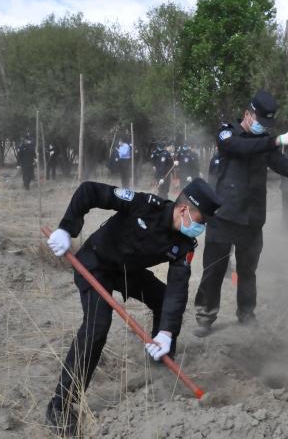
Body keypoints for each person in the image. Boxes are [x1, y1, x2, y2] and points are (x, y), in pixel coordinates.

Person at [44, 178, 220, 436]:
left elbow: (177, 288)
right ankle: (60, 405)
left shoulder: (184, 244)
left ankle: (161, 358)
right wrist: (66, 229)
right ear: (183, 210)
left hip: (128, 272)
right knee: (97, 327)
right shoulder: (146, 205)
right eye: (200, 220)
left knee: (163, 301)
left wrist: (166, 333)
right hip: (96, 264)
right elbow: (90, 191)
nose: (201, 227)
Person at [193, 90, 288, 337]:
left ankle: (246, 314)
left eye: (267, 125)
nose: (262, 127)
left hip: (252, 217)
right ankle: (205, 316)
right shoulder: (227, 133)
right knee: (214, 269)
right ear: (247, 114)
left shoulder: (264, 140)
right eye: (259, 121)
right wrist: (277, 140)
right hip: (223, 215)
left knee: (248, 271)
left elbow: (276, 161)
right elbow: (239, 148)